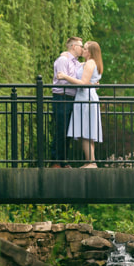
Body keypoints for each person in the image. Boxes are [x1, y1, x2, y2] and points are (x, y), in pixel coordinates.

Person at [57, 40, 103, 168]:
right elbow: (88, 79)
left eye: (86, 48)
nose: (83, 50)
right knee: (87, 131)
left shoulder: (90, 63)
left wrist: (65, 76)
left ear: (90, 52)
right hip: (86, 96)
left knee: (85, 131)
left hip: (85, 98)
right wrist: (64, 54)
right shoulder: (88, 63)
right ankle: (90, 161)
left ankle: (92, 162)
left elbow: (83, 82)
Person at [50, 37, 84, 167]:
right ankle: (55, 161)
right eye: (81, 46)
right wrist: (79, 83)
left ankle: (64, 160)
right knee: (60, 130)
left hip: (71, 98)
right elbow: (62, 80)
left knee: (68, 131)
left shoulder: (75, 62)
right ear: (73, 46)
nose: (82, 49)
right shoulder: (63, 60)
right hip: (62, 97)